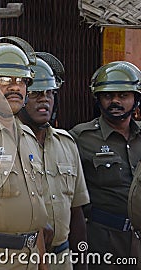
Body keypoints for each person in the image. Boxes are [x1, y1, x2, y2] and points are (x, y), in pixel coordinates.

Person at [0, 37, 48, 269]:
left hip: (29, 255)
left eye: (21, 80)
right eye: (5, 79)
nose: (15, 87)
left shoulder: (27, 137)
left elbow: (35, 210)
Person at [17, 52, 89, 269]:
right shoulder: (8, 141)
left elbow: (77, 212)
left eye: (50, 93)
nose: (45, 100)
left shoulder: (67, 144)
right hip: (21, 257)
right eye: (36, 93)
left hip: (62, 257)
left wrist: (81, 262)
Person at [69, 61, 141, 270]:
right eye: (108, 96)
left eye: (123, 95)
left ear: (136, 99)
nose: (115, 101)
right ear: (98, 99)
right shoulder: (80, 138)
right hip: (102, 241)